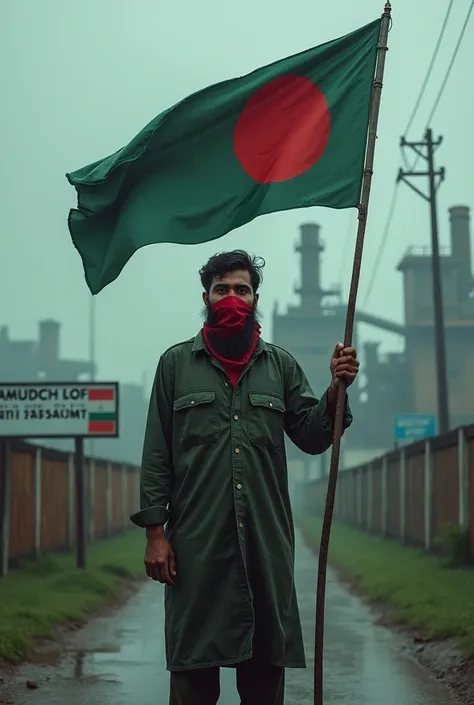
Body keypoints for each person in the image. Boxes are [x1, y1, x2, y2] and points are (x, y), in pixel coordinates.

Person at [130, 250, 359, 705]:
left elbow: (313, 436)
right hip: (196, 550)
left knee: (263, 679)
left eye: (241, 290)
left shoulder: (280, 366)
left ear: (255, 298)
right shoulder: (175, 366)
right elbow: (157, 455)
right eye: (222, 290)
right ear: (205, 297)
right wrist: (156, 535)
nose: (231, 298)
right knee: (193, 681)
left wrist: (335, 389)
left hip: (265, 547)